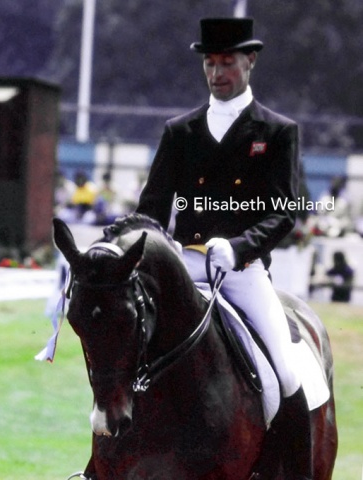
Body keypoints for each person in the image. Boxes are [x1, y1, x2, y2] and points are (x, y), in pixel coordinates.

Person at [136, 17, 312, 479]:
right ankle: (105, 463)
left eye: (227, 63)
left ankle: (291, 469)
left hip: (243, 270)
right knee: (128, 352)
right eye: (210, 64)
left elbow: (283, 213)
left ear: (249, 61)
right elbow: (152, 206)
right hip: (183, 267)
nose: (217, 73)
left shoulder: (276, 131)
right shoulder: (181, 131)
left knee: (289, 373)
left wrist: (238, 248)